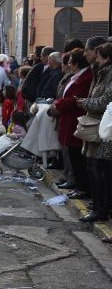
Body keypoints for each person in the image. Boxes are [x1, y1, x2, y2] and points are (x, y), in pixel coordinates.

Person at [48, 49, 92, 198]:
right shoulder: (76, 76)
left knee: (76, 156)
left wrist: (58, 105)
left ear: (76, 63)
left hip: (75, 119)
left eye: (70, 61)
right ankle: (76, 183)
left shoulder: (85, 78)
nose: (67, 64)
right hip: (68, 119)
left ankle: (81, 186)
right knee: (71, 154)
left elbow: (75, 99)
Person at [76, 42, 112, 222]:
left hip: (104, 131)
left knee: (100, 171)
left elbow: (105, 101)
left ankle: (101, 209)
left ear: (106, 58)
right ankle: (98, 205)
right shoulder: (101, 74)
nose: (94, 60)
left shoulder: (109, 75)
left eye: (98, 57)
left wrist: (84, 103)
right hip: (96, 128)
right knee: (94, 169)